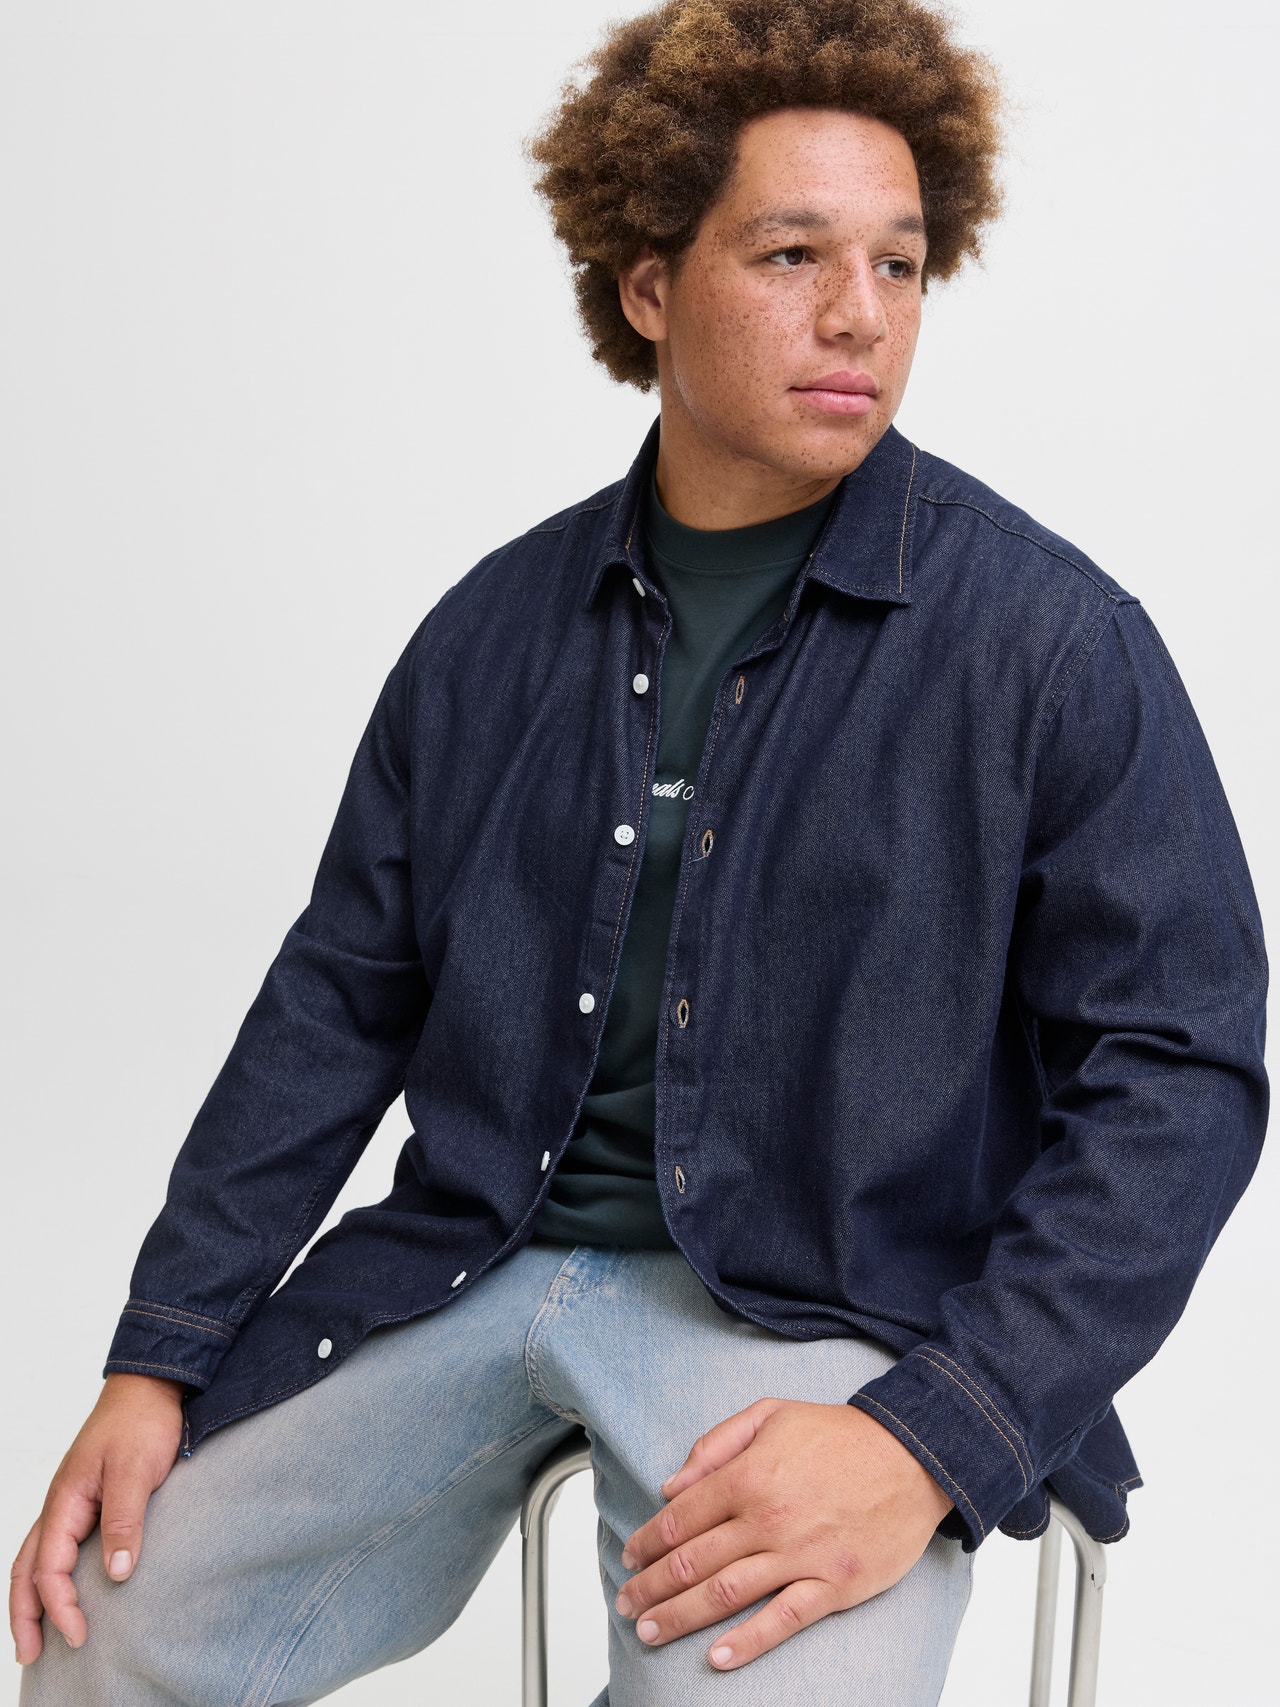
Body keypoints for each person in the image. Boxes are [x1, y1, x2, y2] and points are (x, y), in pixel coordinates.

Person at [10, 1, 1269, 1702]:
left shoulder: (1051, 645)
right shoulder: (490, 635)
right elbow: (336, 1003)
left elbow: (1181, 1074)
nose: (861, 314)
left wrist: (937, 1431)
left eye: (901, 264)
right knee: (103, 1626)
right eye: (793, 253)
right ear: (650, 286)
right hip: (473, 1261)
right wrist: (156, 1357)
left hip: (829, 1311)